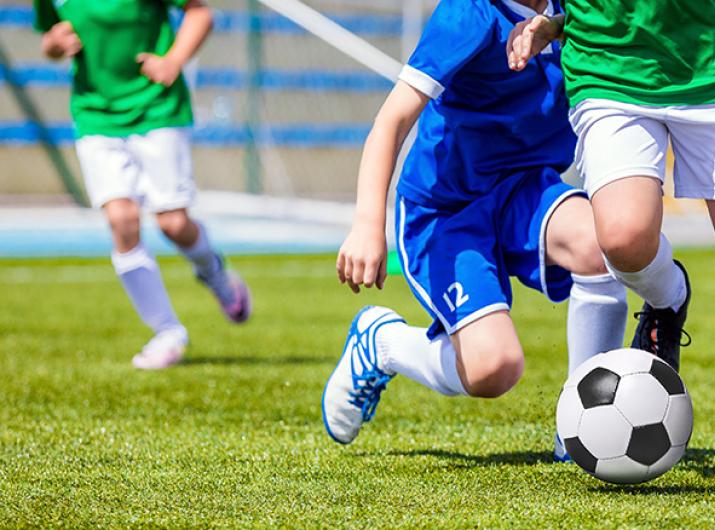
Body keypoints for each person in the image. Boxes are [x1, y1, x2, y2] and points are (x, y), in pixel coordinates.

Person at [321, 0, 628, 458]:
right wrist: (369, 222)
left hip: (525, 187)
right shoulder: (468, 13)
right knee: (495, 369)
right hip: (448, 207)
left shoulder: (581, 8)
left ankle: (582, 427)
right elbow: (392, 120)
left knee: (601, 245)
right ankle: (383, 343)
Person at [34, 0, 251, 369]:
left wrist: (174, 60)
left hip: (157, 108)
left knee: (174, 223)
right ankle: (167, 332)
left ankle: (214, 272)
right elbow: (49, 37)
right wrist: (55, 44)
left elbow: (200, 12)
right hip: (95, 115)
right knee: (121, 220)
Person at [505, 0, 710, 372]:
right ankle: (668, 299)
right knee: (622, 239)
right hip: (609, 64)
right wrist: (559, 23)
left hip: (707, 62)